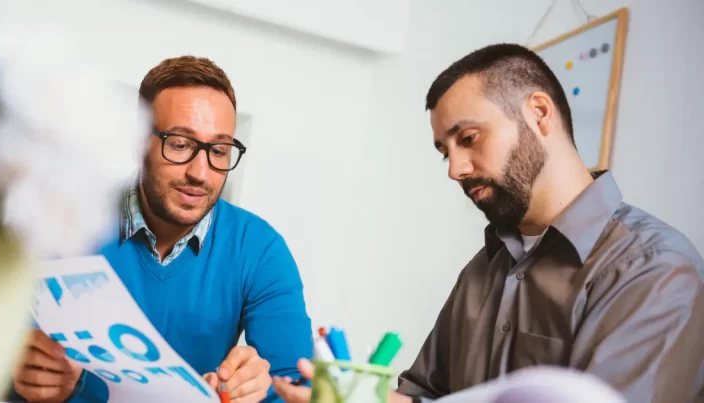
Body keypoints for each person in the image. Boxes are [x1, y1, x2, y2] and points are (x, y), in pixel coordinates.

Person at [274, 43, 704, 403]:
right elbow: (424, 392)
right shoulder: (485, 268)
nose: (455, 169)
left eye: (469, 139)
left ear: (538, 113)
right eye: (446, 151)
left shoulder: (656, 269)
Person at [8, 55, 313, 403]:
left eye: (219, 149)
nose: (201, 172)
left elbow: (299, 391)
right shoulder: (64, 220)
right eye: (180, 144)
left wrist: (262, 388)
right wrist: (32, 380)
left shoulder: (260, 250)